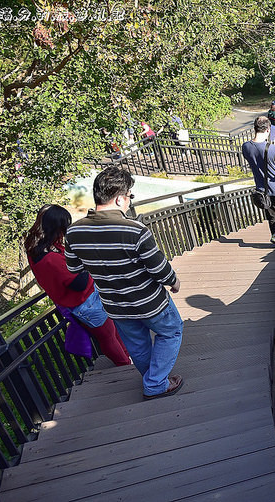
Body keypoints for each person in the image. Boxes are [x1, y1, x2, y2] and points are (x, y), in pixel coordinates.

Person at [65, 166, 184, 400]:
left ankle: (153, 379)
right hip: (149, 301)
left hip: (115, 305)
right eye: (130, 196)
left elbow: (74, 269)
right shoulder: (134, 230)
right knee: (171, 332)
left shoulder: (74, 232)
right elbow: (158, 268)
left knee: (138, 345)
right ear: (119, 198)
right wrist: (174, 281)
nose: (129, 201)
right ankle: (155, 383)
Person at [26, 204, 131, 367]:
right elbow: (79, 283)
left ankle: (126, 360)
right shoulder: (50, 259)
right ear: (56, 228)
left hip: (86, 299)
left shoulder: (37, 247)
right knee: (108, 336)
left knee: (112, 332)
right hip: (85, 301)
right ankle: (124, 365)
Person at [241, 116, 275, 248]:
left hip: (262, 189)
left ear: (255, 128)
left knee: (272, 214)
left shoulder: (246, 147)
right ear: (268, 129)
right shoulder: (273, 149)